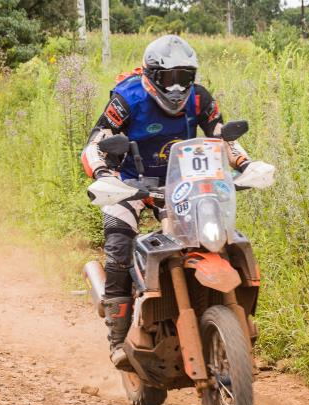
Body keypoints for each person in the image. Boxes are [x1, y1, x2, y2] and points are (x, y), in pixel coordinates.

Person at [80, 34, 252, 369]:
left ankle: (219, 318)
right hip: (129, 183)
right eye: (168, 78)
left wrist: (246, 164)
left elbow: (220, 135)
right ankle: (117, 336)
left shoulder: (199, 99)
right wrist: (103, 173)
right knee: (118, 242)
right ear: (152, 75)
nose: (176, 88)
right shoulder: (127, 97)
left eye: (184, 78)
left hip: (182, 184)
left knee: (216, 238)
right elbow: (97, 141)